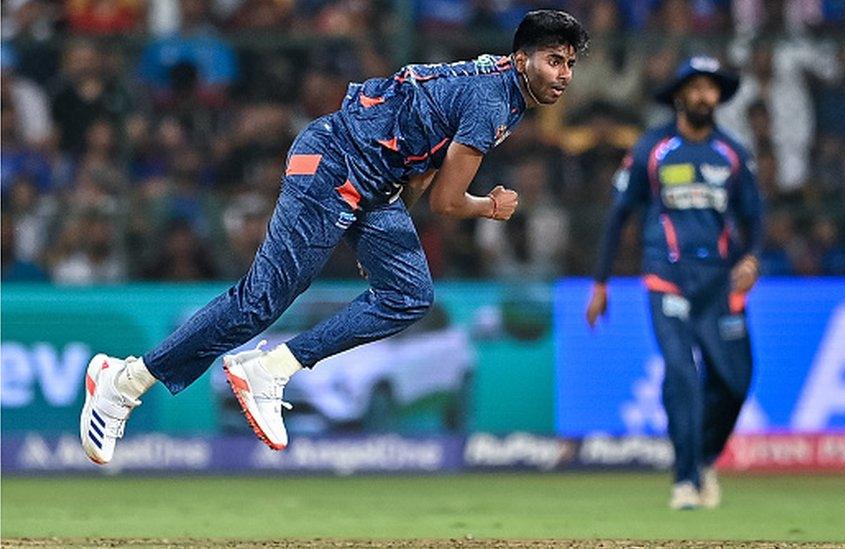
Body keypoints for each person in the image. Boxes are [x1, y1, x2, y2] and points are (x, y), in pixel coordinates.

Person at [80, 10, 589, 465]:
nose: (563, 75)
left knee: (409, 294)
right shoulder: (492, 102)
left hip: (376, 179)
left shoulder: (500, 83)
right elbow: (449, 202)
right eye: (553, 61)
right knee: (261, 301)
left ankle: (272, 367)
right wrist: (491, 206)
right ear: (521, 58)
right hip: (335, 164)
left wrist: (383, 243)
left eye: (568, 63)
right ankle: (123, 383)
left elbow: (421, 168)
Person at [585, 56, 763, 510]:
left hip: (720, 282)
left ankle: (703, 458)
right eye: (696, 88)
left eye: (712, 89)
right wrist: (601, 283)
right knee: (682, 375)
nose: (705, 96)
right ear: (680, 95)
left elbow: (754, 218)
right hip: (667, 277)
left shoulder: (732, 153)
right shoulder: (653, 149)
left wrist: (753, 259)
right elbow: (618, 215)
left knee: (736, 381)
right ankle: (685, 480)